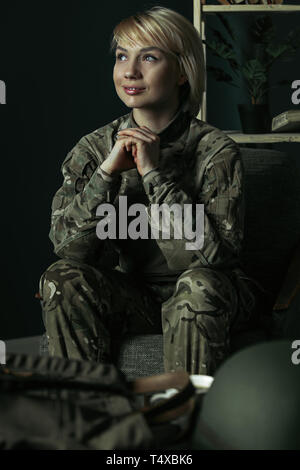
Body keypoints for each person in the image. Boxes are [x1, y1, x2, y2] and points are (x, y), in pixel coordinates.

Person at [39, 6, 257, 376]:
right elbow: (68, 249)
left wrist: (153, 173)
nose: (129, 71)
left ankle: (185, 421)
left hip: (210, 293)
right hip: (134, 295)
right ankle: (93, 420)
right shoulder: (93, 149)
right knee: (61, 277)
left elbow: (213, 259)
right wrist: (107, 173)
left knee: (197, 286)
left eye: (149, 57)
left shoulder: (215, 151)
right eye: (122, 56)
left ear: (183, 72)